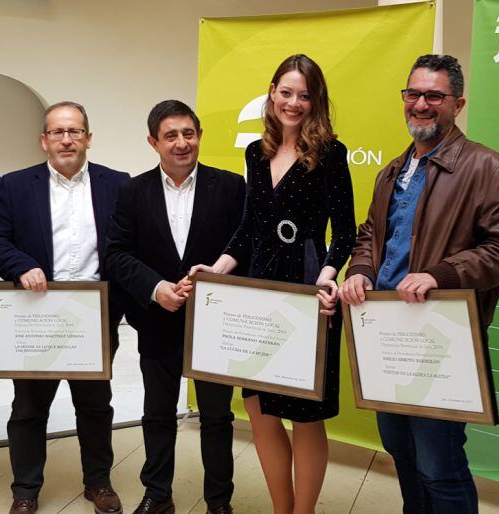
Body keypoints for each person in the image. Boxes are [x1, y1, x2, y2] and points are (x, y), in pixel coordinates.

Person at [338, 54, 499, 513]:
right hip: (386, 338)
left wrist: (442, 275)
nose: (421, 104)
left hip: (441, 341)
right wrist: (361, 272)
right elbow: (371, 235)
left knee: (439, 465)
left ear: (458, 104)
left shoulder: (489, 169)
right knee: (401, 451)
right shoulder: (392, 171)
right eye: (413, 94)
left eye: (434, 96)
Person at [190, 54, 355, 514]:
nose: (294, 102)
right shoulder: (255, 153)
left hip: (306, 294)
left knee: (305, 417)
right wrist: (217, 270)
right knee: (261, 415)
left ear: (315, 100)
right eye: (286, 92)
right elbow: (248, 229)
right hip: (258, 293)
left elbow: (345, 231)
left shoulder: (331, 153)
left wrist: (326, 277)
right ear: (272, 92)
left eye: (305, 95)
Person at [0, 101, 129, 514]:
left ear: (88, 138)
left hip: (94, 318)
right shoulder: (14, 185)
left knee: (96, 406)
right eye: (58, 132)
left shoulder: (117, 184)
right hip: (35, 316)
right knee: (29, 408)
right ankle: (25, 491)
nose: (67, 139)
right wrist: (22, 265)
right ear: (43, 140)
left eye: (75, 131)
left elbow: (128, 248)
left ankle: (99, 483)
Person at [105, 100, 245, 514]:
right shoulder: (133, 191)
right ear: (153, 142)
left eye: (189, 133)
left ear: (199, 135)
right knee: (158, 413)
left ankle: (219, 501)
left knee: (218, 417)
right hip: (157, 318)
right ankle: (158, 494)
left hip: (216, 321)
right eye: (171, 136)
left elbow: (246, 247)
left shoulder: (232, 187)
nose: (182, 143)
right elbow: (116, 253)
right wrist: (155, 287)